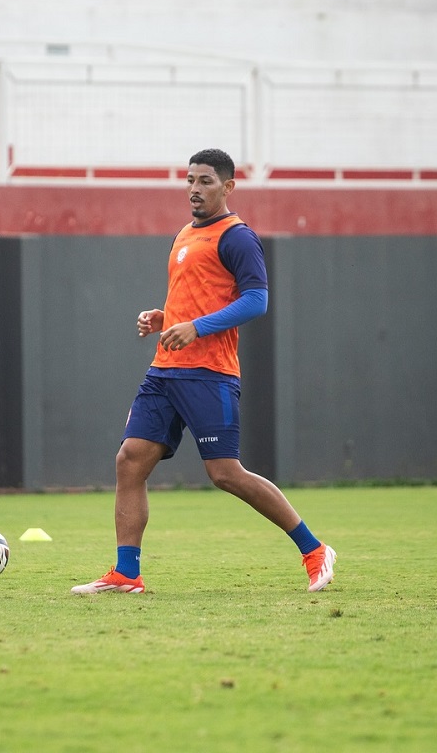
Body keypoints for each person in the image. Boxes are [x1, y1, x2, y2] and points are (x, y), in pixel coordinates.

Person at [72, 148, 336, 595]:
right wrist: (165, 317)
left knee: (225, 474)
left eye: (206, 181)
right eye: (190, 180)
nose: (195, 188)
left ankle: (314, 549)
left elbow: (257, 300)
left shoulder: (237, 237)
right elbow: (197, 296)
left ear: (228, 187)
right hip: (164, 372)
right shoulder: (183, 235)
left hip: (209, 374)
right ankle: (126, 573)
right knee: (130, 461)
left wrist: (196, 327)